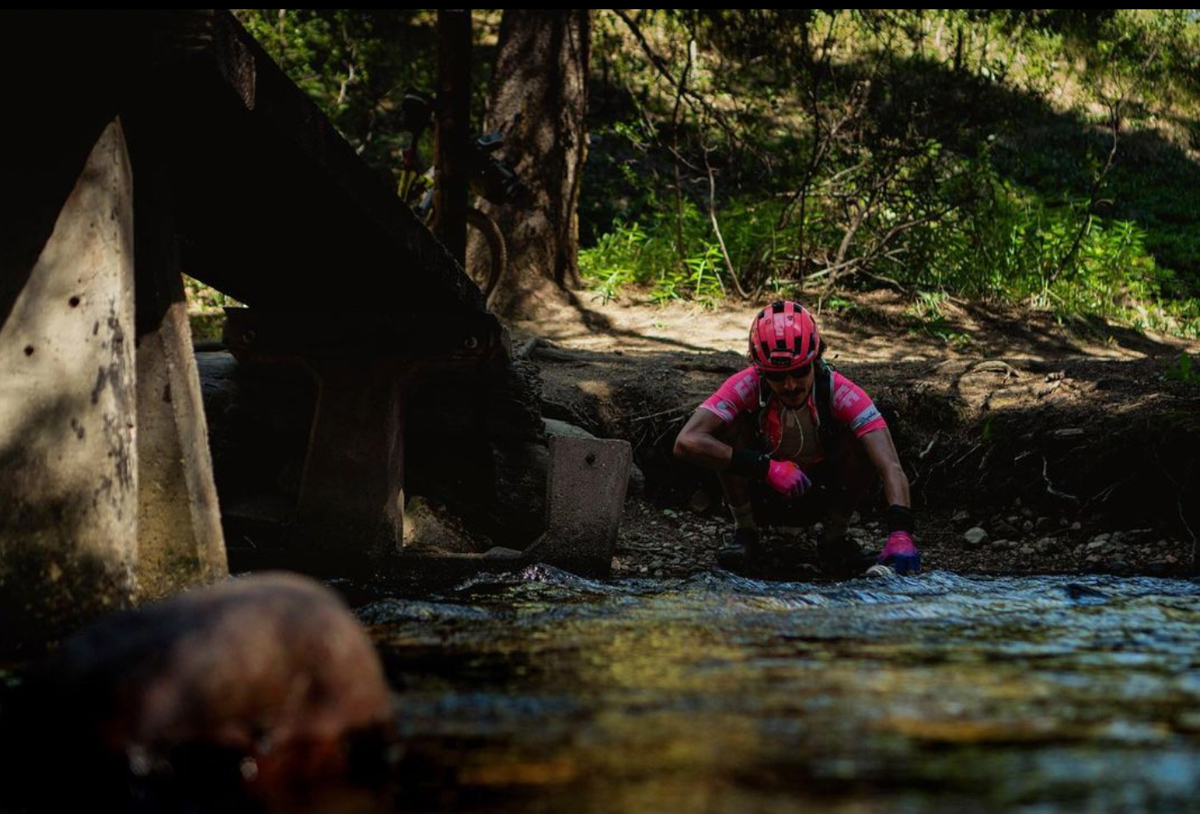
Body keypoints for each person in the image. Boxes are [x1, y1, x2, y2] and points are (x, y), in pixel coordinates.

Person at [673, 300, 920, 578]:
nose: (790, 385)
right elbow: (687, 440)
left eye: (800, 371)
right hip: (762, 488)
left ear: (815, 360)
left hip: (821, 489)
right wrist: (765, 467)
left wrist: (901, 530)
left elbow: (890, 464)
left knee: (863, 439)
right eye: (777, 376)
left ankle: (834, 539)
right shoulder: (748, 384)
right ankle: (745, 532)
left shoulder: (839, 391)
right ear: (761, 371)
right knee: (723, 428)